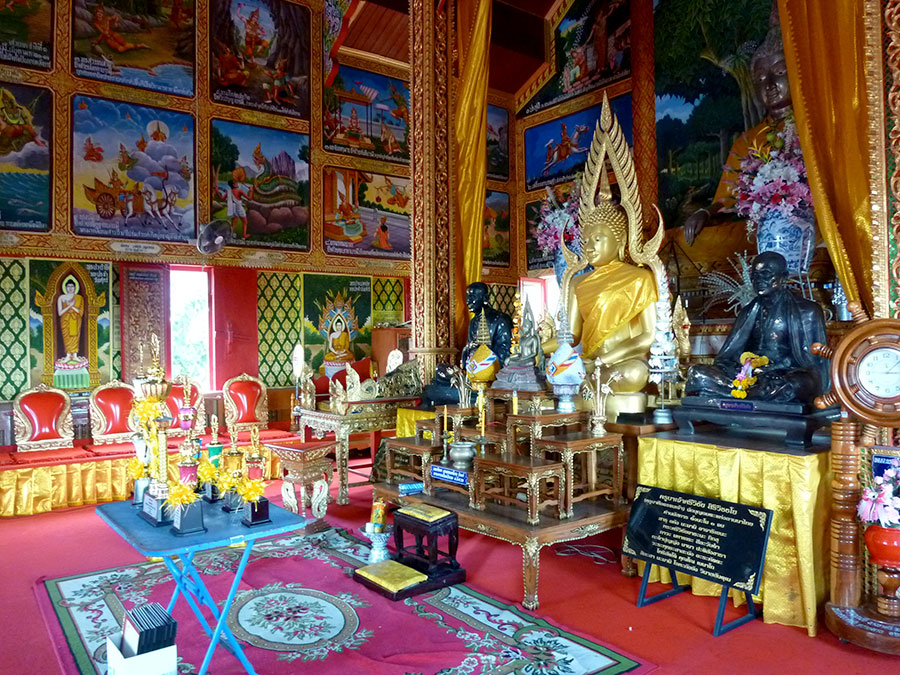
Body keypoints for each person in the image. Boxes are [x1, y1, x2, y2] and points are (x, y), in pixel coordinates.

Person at [683, 11, 791, 245]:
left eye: (780, 73)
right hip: (763, 238)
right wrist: (705, 212)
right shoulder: (748, 141)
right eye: (761, 79)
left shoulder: (814, 129)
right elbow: (728, 198)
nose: (770, 85)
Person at [684, 251, 828, 404]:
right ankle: (745, 394)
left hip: (782, 374)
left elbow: (813, 361)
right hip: (750, 374)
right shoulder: (748, 311)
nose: (759, 280)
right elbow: (729, 355)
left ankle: (730, 393)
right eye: (755, 275)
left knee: (796, 384)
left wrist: (776, 368)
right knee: (697, 373)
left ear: (784, 277)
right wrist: (744, 369)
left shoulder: (807, 311)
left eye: (765, 274)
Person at [460, 282, 512, 368]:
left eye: (472, 297)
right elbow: (469, 348)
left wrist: (483, 354)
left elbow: (505, 352)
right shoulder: (473, 322)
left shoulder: (500, 319)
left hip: (494, 370)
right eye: (467, 297)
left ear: (485, 298)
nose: (468, 301)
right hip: (474, 368)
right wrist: (468, 350)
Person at [57, 277, 84, 362]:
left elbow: (81, 312)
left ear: (75, 288)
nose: (70, 288)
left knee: (75, 336)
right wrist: (69, 306)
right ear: (65, 288)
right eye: (68, 286)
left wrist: (71, 306)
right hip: (65, 321)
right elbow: (60, 313)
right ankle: (68, 355)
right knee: (67, 337)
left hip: (75, 321)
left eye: (72, 286)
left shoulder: (79, 298)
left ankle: (75, 355)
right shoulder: (61, 298)